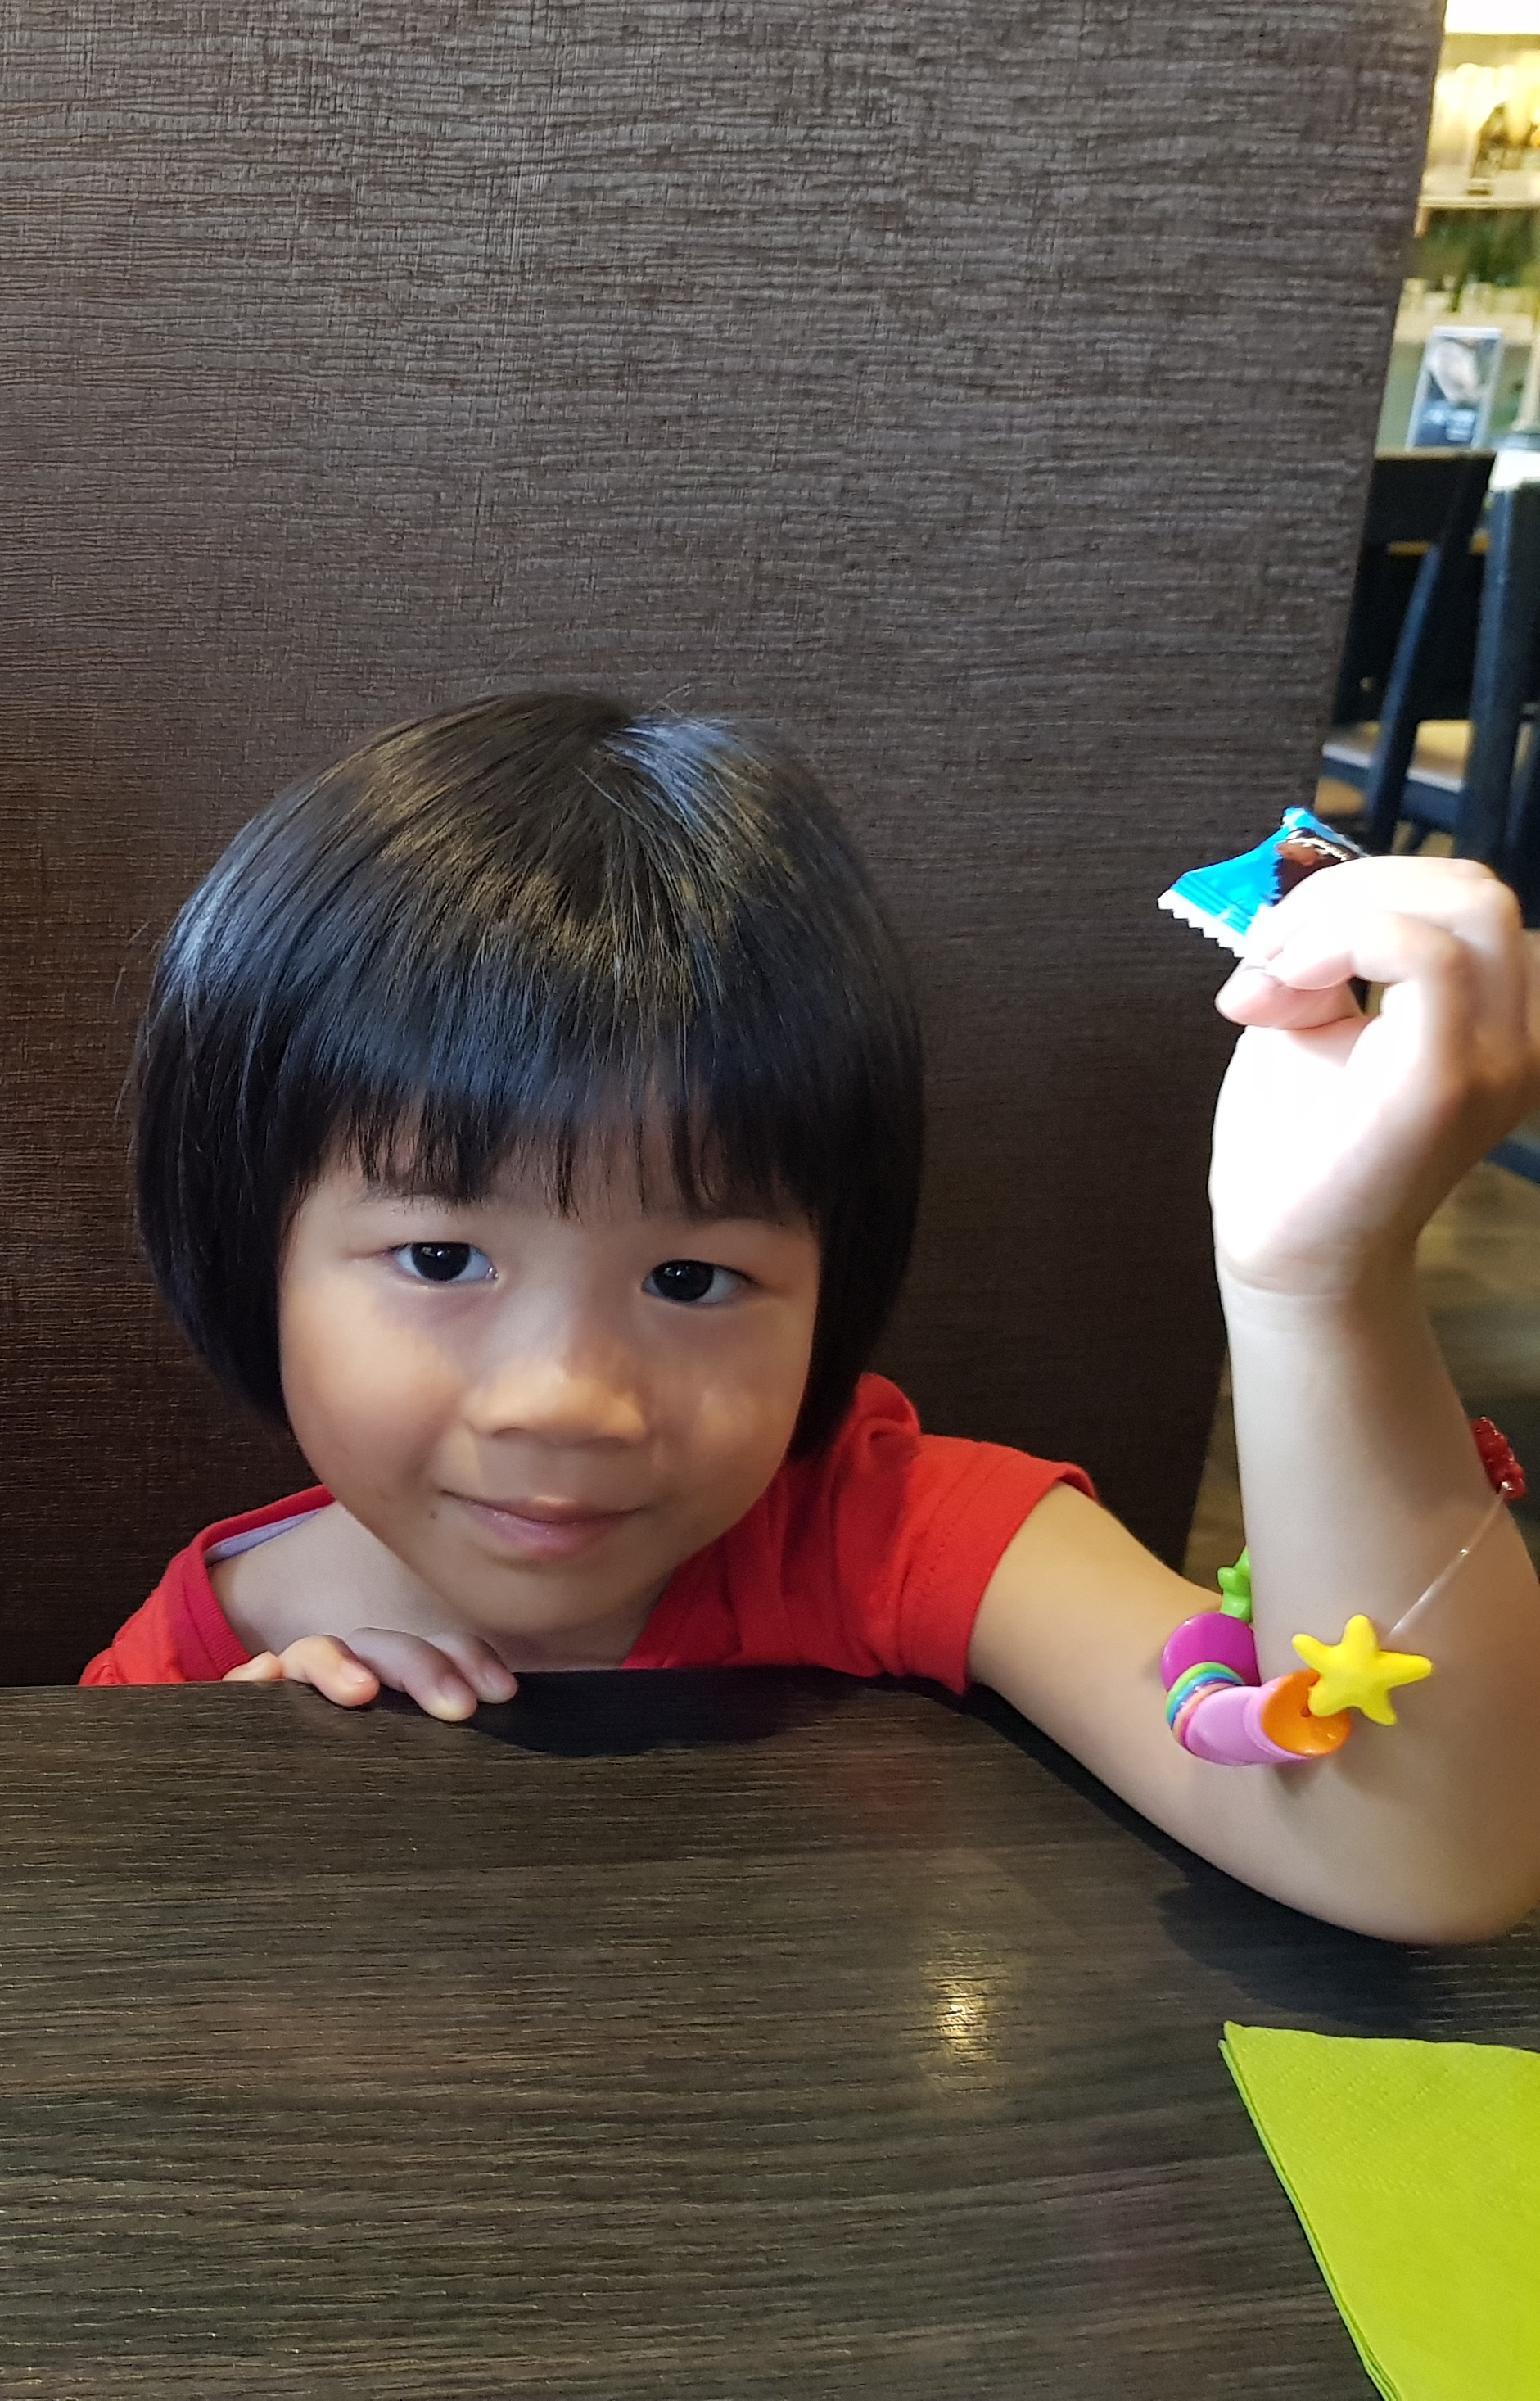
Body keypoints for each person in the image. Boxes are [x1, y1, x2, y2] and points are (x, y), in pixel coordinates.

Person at [86, 692, 1540, 1947]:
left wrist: (1316, 1283)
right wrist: (240, 1798)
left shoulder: (894, 1536)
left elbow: (1419, 1860)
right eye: (441, 1257)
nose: (566, 1399)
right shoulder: (203, 1650)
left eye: (688, 1279)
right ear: (252, 1251)